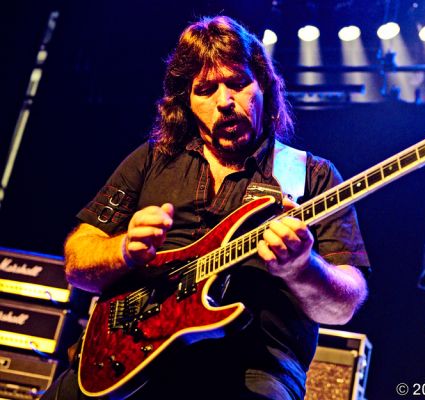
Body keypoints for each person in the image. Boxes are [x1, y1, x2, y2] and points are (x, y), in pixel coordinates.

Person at [43, 15, 369, 400]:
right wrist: (125, 249)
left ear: (264, 86)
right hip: (127, 359)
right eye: (206, 89)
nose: (225, 102)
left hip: (255, 368)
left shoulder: (310, 175)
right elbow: (77, 262)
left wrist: (302, 267)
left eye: (238, 83)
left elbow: (343, 306)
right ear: (187, 102)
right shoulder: (152, 160)